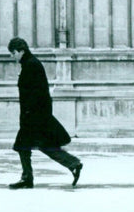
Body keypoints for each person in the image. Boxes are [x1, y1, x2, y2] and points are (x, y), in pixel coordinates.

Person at [7, 37, 83, 189]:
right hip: (35, 115)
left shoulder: (31, 65)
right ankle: (72, 164)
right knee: (39, 145)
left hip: (34, 116)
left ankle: (27, 178)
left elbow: (37, 94)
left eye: (13, 53)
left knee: (24, 146)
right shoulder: (29, 64)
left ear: (21, 51)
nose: (12, 56)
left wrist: (31, 116)